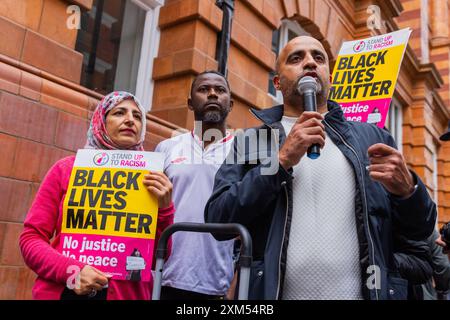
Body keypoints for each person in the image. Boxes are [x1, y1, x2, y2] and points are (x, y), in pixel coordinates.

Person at [204, 36, 436, 300]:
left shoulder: (374, 138)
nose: (310, 62)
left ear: (330, 77)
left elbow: (420, 230)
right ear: (277, 82)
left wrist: (409, 192)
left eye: (318, 57)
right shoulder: (250, 141)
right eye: (296, 58)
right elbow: (217, 219)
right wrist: (280, 162)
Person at [19, 91, 174, 300]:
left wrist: (165, 210)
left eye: (137, 116)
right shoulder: (66, 170)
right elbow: (31, 239)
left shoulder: (152, 179)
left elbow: (158, 259)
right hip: (64, 293)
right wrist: (72, 272)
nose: (130, 120)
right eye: (119, 112)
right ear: (101, 121)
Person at [156, 71, 235, 300]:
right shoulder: (166, 147)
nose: (212, 94)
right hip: (165, 276)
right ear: (190, 103)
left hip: (219, 283)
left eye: (220, 90)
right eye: (203, 89)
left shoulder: (245, 151)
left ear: (231, 103)